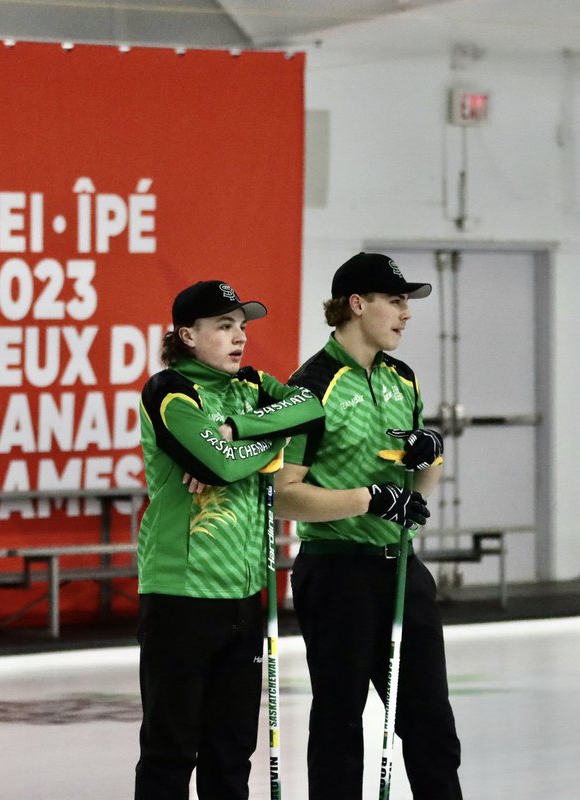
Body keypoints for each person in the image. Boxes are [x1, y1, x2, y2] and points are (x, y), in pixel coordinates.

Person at [275, 252, 463, 800]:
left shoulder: (402, 378)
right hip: (337, 574)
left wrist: (429, 461)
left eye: (408, 303)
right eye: (396, 301)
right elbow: (283, 495)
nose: (407, 314)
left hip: (401, 569)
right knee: (340, 723)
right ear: (357, 305)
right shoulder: (310, 386)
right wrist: (368, 499)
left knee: (430, 723)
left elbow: (417, 493)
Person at [134, 279, 322, 800]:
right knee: (170, 751)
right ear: (187, 335)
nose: (239, 337)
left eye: (242, 326)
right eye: (224, 326)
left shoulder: (253, 385)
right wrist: (269, 445)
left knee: (231, 751)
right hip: (181, 595)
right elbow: (214, 464)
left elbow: (310, 408)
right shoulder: (170, 390)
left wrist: (242, 432)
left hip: (245, 594)